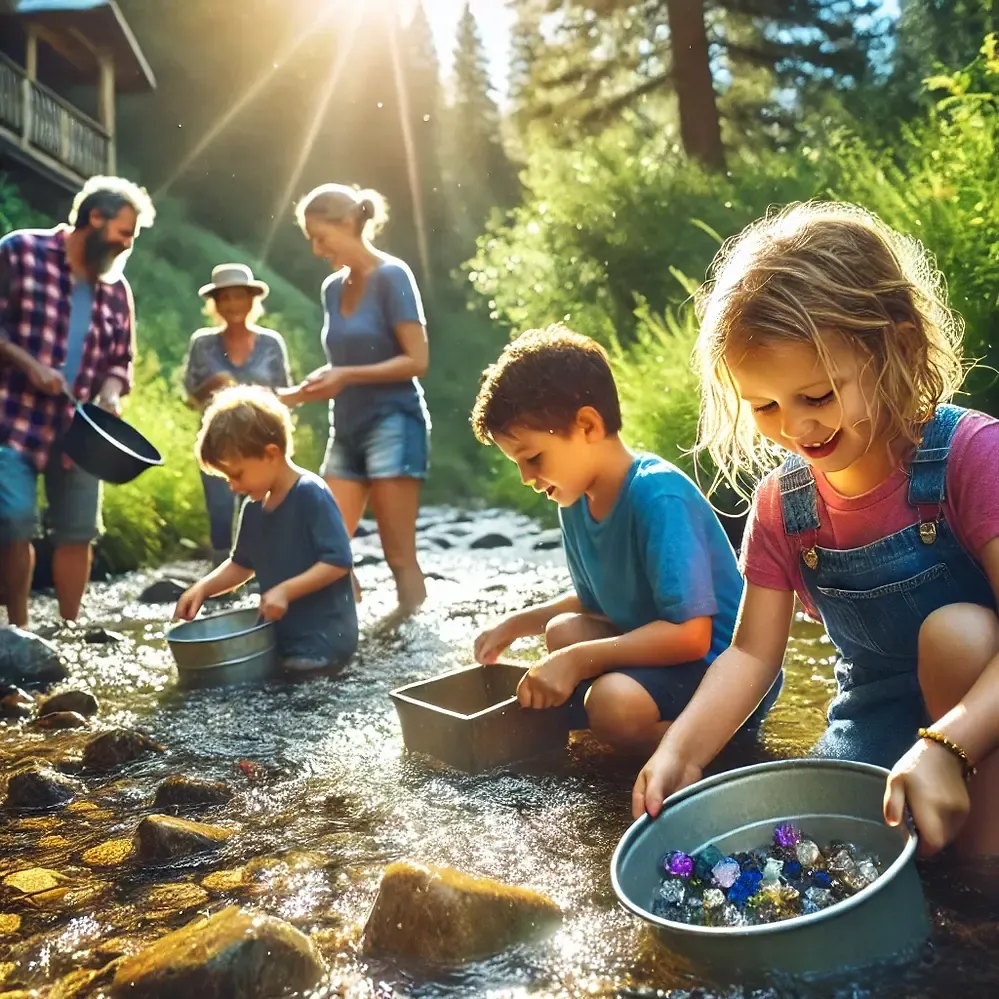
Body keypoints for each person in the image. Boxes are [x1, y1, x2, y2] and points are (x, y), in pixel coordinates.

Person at [633, 201, 999, 858]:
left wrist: (947, 744)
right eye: (764, 405)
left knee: (957, 636)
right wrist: (680, 750)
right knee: (794, 853)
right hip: (877, 723)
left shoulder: (970, 458)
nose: (795, 427)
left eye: (818, 395)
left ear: (897, 346)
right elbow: (749, 656)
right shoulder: (784, 505)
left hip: (984, 705)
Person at [470, 325, 776, 752]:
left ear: (588, 426)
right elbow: (595, 602)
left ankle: (719, 743)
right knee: (562, 631)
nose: (526, 478)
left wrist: (576, 661)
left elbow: (692, 636)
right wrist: (517, 625)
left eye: (533, 458)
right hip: (666, 654)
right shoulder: (573, 503)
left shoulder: (657, 496)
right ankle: (633, 722)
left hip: (720, 670)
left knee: (611, 704)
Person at [0, 175, 154, 628]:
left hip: (82, 431)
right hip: (12, 418)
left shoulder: (116, 289)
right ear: (95, 218)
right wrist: (28, 364)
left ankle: (68, 631)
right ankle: (21, 632)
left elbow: (121, 359)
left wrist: (110, 392)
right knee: (13, 520)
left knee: (77, 533)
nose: (128, 244)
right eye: (124, 233)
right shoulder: (20, 252)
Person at [279, 184, 430, 616]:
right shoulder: (331, 288)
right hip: (344, 428)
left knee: (398, 556)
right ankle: (346, 631)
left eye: (320, 236)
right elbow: (340, 365)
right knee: (323, 548)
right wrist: (294, 394)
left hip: (395, 425)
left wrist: (346, 375)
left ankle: (410, 644)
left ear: (347, 224)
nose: (315, 248)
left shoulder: (393, 276)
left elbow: (417, 360)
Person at [174, 385, 358, 673]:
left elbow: (338, 562)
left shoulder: (311, 494)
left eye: (237, 474)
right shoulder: (253, 508)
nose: (233, 486)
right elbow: (241, 565)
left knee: (296, 687)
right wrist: (204, 588)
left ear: (271, 454)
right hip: (279, 638)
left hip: (324, 640)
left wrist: (285, 591)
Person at [183, 263, 292, 565]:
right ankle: (222, 574)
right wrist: (214, 383)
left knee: (261, 506)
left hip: (262, 442)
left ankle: (262, 570)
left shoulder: (271, 344)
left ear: (251, 300)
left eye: (239, 297)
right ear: (215, 304)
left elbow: (285, 395)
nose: (232, 304)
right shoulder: (202, 344)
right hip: (219, 442)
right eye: (225, 298)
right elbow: (191, 398)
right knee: (219, 509)